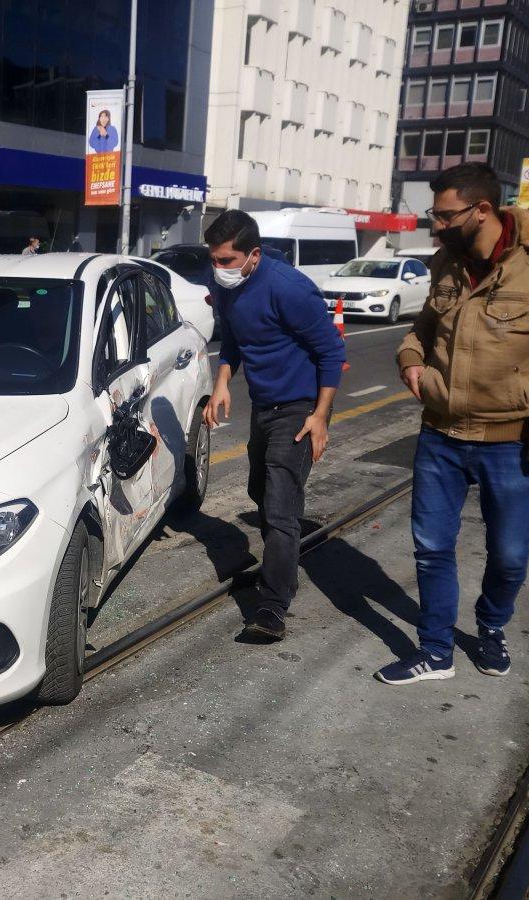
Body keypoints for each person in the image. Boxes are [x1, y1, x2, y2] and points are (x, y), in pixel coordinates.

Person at [377, 163, 529, 685]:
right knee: (431, 549)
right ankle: (435, 650)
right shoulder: (446, 262)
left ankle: (491, 625)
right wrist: (410, 359)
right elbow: (422, 328)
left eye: (445, 216)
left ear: (482, 210)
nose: (436, 224)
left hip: (511, 442)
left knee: (509, 556)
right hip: (440, 435)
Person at [202, 210, 346, 642]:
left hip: (300, 408)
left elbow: (331, 352)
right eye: (214, 259)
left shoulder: (289, 289)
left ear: (254, 254)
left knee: (281, 505)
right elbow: (233, 337)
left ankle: (272, 606)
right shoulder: (226, 285)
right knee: (259, 491)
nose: (218, 268)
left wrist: (320, 416)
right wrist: (222, 382)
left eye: (227, 260)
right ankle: (278, 564)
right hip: (264, 405)